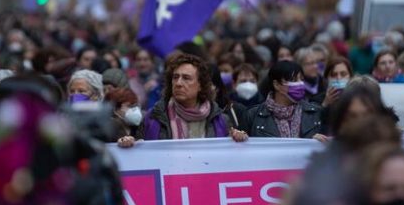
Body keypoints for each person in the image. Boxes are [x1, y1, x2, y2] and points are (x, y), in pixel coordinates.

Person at [117, 53, 245, 146]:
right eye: (175, 77)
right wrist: (129, 144)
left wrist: (238, 140)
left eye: (186, 78)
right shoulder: (153, 118)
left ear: (200, 85)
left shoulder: (220, 120)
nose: (178, 83)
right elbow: (140, 157)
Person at [242, 61, 327, 141]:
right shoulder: (253, 116)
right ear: (276, 85)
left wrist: (318, 141)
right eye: (294, 80)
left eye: (301, 79)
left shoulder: (316, 113)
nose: (300, 84)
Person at [326, 84, 398, 136]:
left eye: (366, 115)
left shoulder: (394, 154)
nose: (360, 123)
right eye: (352, 116)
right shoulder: (326, 156)